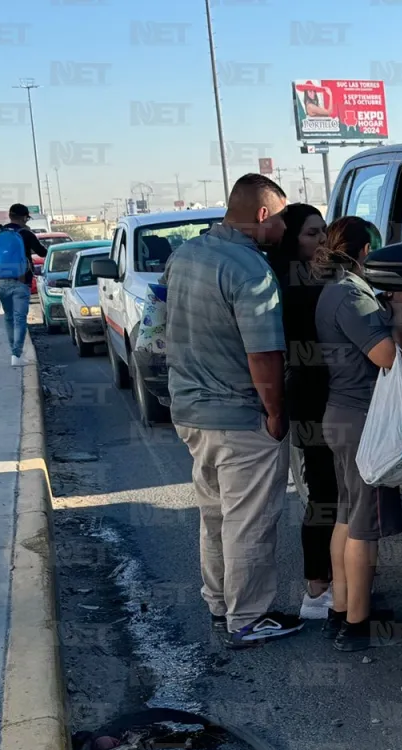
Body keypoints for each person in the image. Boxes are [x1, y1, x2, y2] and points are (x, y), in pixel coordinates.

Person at [163, 173, 304, 649]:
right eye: (282, 218)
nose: (285, 228)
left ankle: (219, 604)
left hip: (190, 411)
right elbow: (264, 354)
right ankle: (248, 619)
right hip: (240, 417)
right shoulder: (250, 271)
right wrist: (275, 412)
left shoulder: (186, 255)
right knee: (250, 522)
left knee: (216, 515)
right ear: (263, 216)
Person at [315, 216, 402, 651]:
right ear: (366, 252)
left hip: (343, 415)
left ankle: (342, 608)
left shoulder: (336, 291)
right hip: (362, 424)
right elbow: (387, 356)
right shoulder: (351, 295)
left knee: (346, 516)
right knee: (364, 525)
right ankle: (357, 623)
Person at [267, 203, 338, 620]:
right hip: (313, 396)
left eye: (324, 232)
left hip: (329, 394)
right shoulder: (287, 283)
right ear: (293, 238)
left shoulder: (316, 277)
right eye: (312, 233)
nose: (321, 241)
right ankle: (317, 590)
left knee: (335, 490)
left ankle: (335, 585)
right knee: (325, 491)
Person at [0, 203, 47, 365]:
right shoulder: (25, 233)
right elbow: (42, 252)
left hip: (1, 281)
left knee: (9, 318)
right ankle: (16, 355)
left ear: (10, 216)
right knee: (20, 319)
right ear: (24, 217)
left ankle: (14, 353)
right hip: (21, 281)